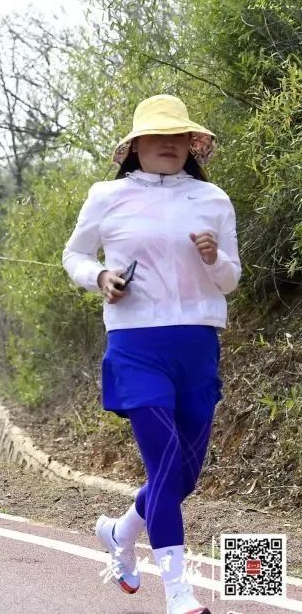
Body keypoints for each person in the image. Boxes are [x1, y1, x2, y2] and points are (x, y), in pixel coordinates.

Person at [62, 95, 239, 614]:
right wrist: (100, 276)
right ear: (135, 146)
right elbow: (74, 254)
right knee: (163, 459)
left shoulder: (212, 199)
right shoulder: (107, 196)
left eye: (178, 136)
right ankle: (178, 593)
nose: (168, 144)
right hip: (137, 345)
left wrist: (215, 258)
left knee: (183, 475)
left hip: (197, 345)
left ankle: (120, 532)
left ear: (191, 144)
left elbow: (230, 279)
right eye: (157, 136)